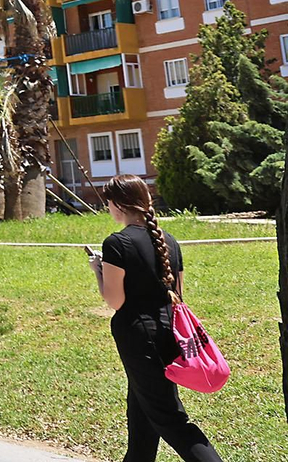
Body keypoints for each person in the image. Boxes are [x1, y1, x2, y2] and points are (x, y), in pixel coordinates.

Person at [89, 174, 223, 462]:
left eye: (108, 203)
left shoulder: (116, 243)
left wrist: (98, 271)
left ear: (118, 205)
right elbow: (178, 294)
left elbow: (115, 300)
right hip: (169, 334)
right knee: (140, 413)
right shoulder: (169, 241)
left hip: (138, 336)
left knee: (171, 419)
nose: (108, 208)